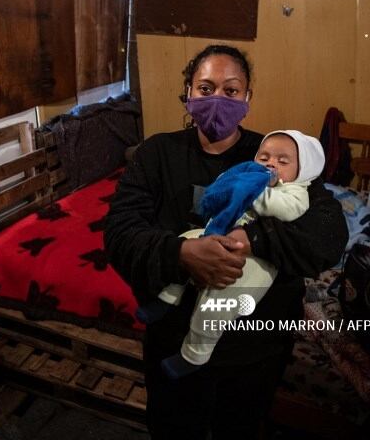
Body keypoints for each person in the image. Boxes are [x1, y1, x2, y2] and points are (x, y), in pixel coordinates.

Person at [104, 44, 348, 439]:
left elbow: (328, 235)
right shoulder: (157, 154)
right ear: (188, 92)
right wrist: (181, 253)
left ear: (247, 97)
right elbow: (119, 233)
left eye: (231, 90)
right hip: (173, 341)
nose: (218, 98)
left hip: (255, 348)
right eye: (205, 88)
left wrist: (252, 239)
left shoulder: (275, 155)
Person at [137, 130, 325, 380]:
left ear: (302, 171)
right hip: (219, 233)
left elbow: (288, 210)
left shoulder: (296, 191)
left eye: (282, 161)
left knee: (218, 302)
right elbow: (224, 186)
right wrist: (232, 183)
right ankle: (167, 298)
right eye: (264, 157)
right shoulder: (247, 174)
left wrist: (252, 192)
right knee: (185, 242)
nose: (271, 164)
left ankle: (194, 354)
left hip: (256, 260)